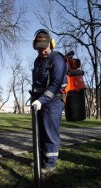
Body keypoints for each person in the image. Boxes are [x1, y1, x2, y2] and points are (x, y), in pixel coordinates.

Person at [31, 29, 67, 173]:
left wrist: (42, 100)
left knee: (50, 133)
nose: (42, 51)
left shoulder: (57, 59)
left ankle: (50, 163)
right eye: (39, 48)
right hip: (39, 101)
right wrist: (36, 100)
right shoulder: (37, 61)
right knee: (39, 132)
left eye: (44, 47)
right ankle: (41, 160)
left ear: (51, 44)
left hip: (53, 102)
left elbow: (56, 83)